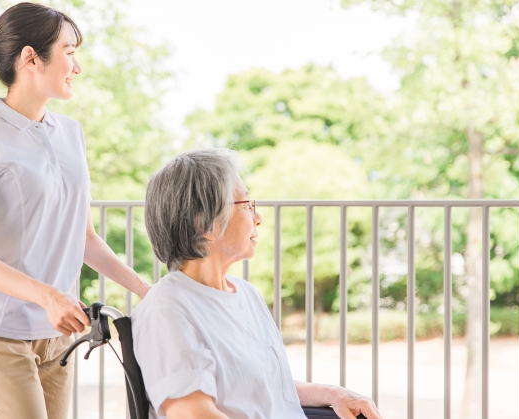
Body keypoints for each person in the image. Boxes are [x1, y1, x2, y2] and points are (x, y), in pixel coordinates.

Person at [0, 2, 151, 419]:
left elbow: (85, 240)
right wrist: (49, 296)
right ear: (30, 58)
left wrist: (148, 292)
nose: (77, 65)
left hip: (58, 337)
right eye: (69, 51)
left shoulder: (71, 133)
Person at [132, 149, 383, 419]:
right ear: (205, 224)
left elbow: (262, 388)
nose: (258, 217)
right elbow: (193, 412)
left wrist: (333, 394)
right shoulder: (166, 308)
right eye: (247, 204)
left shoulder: (246, 295)